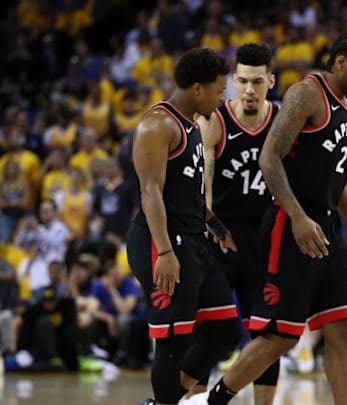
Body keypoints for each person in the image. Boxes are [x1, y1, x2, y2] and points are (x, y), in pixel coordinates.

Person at [207, 31, 347, 405]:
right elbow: (268, 158)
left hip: (327, 226)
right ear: (340, 63)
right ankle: (215, 399)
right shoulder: (306, 94)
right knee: (280, 336)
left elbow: (341, 179)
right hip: (291, 224)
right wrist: (299, 217)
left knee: (342, 327)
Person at [127, 47, 241, 405]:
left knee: (224, 332)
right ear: (197, 88)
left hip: (194, 241)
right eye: (219, 90)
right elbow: (151, 192)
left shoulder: (193, 123)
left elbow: (187, 191)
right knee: (174, 342)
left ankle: (166, 401)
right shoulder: (157, 124)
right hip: (162, 241)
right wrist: (164, 251)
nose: (222, 99)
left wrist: (216, 225)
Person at [196, 43, 281, 404]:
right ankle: (195, 401)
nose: (249, 89)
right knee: (208, 327)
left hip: (264, 239)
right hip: (222, 234)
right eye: (242, 81)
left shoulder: (283, 121)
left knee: (268, 331)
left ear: (270, 82)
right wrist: (216, 233)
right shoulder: (215, 121)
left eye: (257, 82)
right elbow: (204, 190)